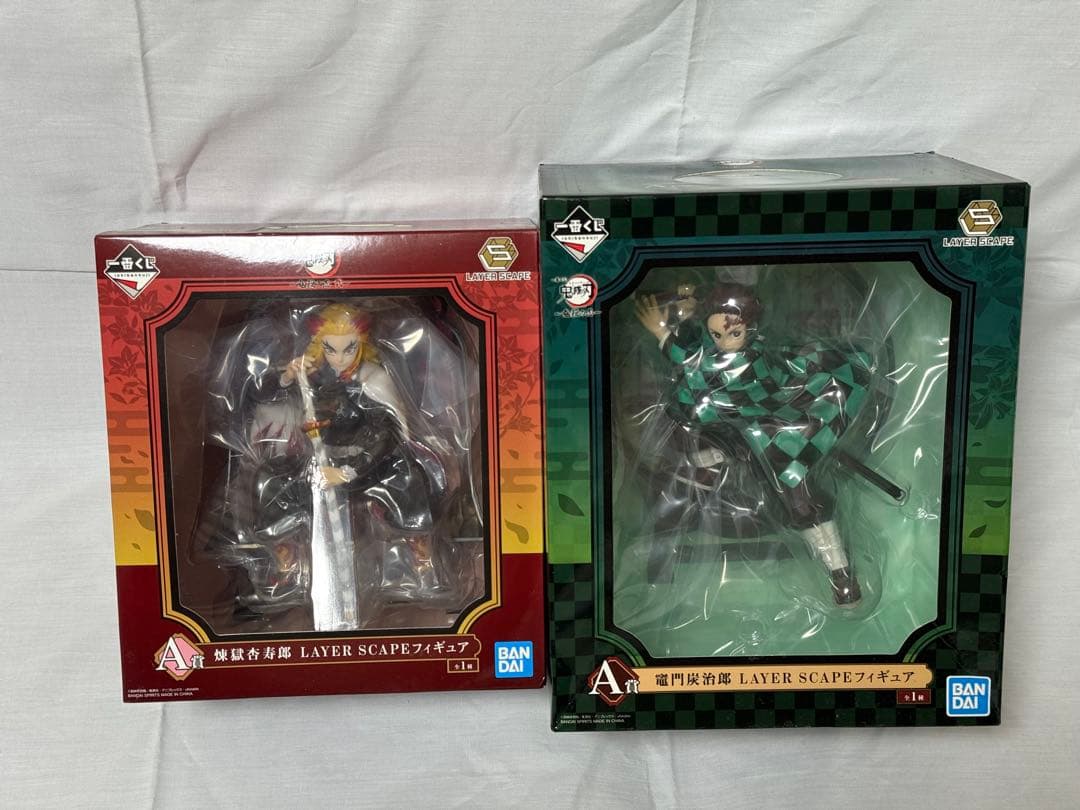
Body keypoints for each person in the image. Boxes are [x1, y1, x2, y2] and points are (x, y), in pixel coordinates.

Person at [635, 282, 873, 606]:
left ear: (750, 329)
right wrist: (685, 313)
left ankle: (840, 573)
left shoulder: (752, 357)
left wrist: (663, 334)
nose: (724, 342)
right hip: (729, 429)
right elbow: (698, 357)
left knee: (799, 498)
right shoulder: (712, 349)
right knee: (695, 464)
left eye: (734, 334)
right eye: (717, 335)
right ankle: (722, 460)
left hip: (766, 430)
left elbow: (697, 365)